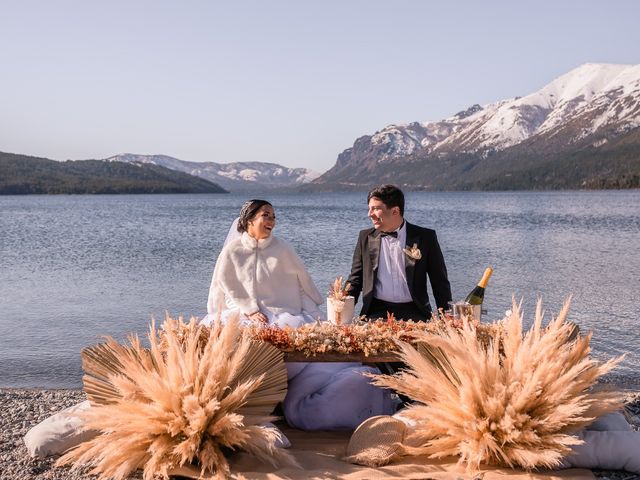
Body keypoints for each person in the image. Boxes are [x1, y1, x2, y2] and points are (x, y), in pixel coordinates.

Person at [206, 199, 396, 431]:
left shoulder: (283, 249)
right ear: (249, 220)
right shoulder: (232, 251)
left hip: (284, 315)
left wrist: (319, 318)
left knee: (306, 352)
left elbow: (301, 286)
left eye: (274, 216)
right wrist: (250, 309)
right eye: (266, 215)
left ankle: (280, 403)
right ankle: (248, 406)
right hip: (247, 313)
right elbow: (228, 284)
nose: (272, 221)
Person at [347, 185, 452, 321]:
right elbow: (355, 280)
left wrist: (448, 319)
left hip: (415, 311)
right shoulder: (365, 238)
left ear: (395, 211)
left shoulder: (425, 237)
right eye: (369, 208)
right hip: (376, 312)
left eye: (376, 208)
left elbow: (439, 282)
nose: (369, 214)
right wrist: (341, 310)